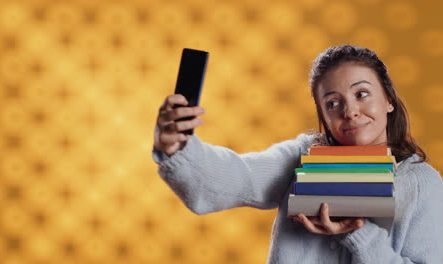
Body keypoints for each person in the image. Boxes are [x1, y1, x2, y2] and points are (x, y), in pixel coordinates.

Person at [152, 45, 443, 263]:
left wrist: (357, 233)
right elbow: (231, 179)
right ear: (323, 116)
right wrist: (175, 145)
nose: (350, 111)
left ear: (389, 100)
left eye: (362, 94)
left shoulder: (421, 182)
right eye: (332, 103)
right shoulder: (303, 155)